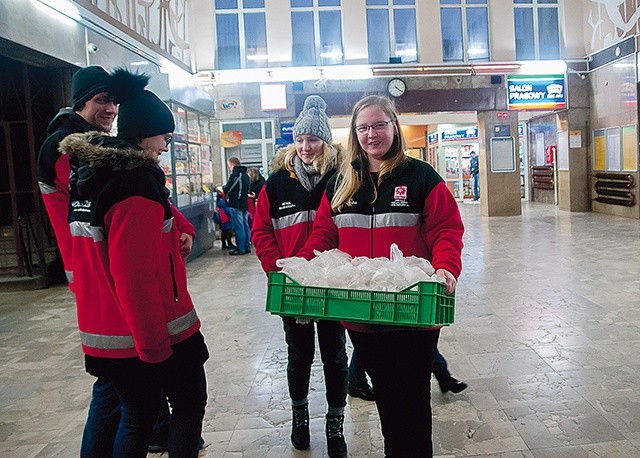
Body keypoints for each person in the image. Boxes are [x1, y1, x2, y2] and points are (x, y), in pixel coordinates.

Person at [298, 95, 464, 457]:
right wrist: (302, 269)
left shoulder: (421, 177)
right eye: (363, 128)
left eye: (379, 125)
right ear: (354, 133)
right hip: (362, 315)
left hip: (412, 311)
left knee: (414, 402)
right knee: (388, 399)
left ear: (393, 126)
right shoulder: (341, 182)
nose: (371, 134)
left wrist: (447, 267)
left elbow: (446, 230)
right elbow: (323, 236)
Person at [62, 68, 209, 457]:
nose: (166, 143)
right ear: (145, 134)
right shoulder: (135, 188)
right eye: (164, 135)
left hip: (108, 329)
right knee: (186, 407)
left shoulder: (92, 176)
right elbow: (134, 276)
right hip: (146, 335)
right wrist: (156, 350)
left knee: (136, 415)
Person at [36, 66, 126, 457]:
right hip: (93, 270)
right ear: (81, 102)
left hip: (100, 266)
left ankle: (154, 426)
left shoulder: (87, 143)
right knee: (114, 372)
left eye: (113, 100)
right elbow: (101, 202)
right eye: (101, 99)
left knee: (130, 364)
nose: (110, 108)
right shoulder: (67, 147)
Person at [252, 95, 348, 458]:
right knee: (299, 355)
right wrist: (278, 269)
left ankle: (335, 424)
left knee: (335, 356)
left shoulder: (342, 179)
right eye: (301, 139)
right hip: (292, 286)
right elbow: (261, 231)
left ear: (325, 141)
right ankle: (300, 418)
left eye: (313, 139)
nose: (306, 147)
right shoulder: (276, 183)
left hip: (332, 283)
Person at [223, 156, 251, 255]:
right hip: (244, 203)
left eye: (229, 165)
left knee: (239, 227)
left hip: (236, 203)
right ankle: (247, 246)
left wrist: (224, 190)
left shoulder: (236, 175)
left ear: (232, 164)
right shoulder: (246, 175)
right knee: (245, 225)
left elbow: (229, 188)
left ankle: (240, 248)